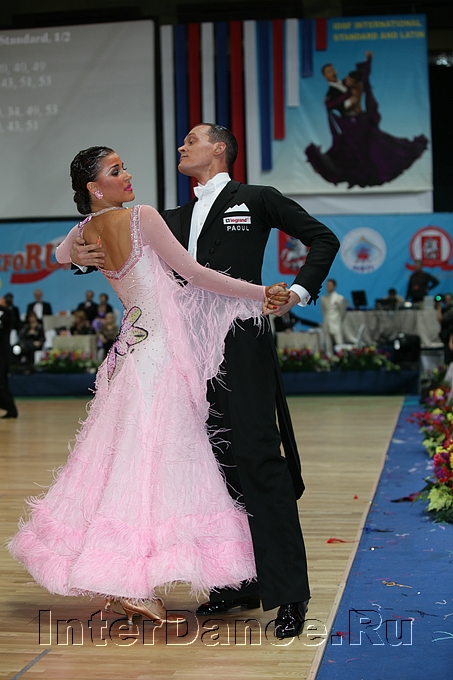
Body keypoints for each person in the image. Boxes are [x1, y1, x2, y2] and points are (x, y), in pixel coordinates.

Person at [69, 125, 340, 638]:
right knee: (216, 467)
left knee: (258, 459)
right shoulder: (170, 217)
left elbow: (324, 238)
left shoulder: (257, 199)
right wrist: (78, 258)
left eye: (192, 139)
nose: (182, 145)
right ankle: (237, 581)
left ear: (219, 148)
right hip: (184, 353)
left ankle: (289, 593)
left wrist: (299, 291)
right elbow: (114, 245)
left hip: (240, 343)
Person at [8, 145, 290, 626]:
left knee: (128, 464)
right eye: (116, 170)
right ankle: (130, 582)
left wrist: (72, 254)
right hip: (159, 356)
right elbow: (196, 275)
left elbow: (60, 252)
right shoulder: (142, 217)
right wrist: (259, 292)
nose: (127, 175)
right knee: (154, 468)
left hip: (131, 355)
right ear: (96, 187)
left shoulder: (86, 230)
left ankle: (126, 581)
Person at [306, 52, 428, 188]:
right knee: (356, 151)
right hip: (350, 125)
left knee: (379, 143)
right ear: (325, 76)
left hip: (361, 120)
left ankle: (400, 158)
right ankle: (365, 175)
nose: (332, 72)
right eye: (328, 71)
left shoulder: (347, 82)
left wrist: (368, 60)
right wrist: (348, 98)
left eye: (332, 69)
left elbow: (362, 75)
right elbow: (332, 105)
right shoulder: (331, 94)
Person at [0, 296, 18, 419]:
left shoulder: (8, 314)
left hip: (3, 355)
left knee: (1, 384)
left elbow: (7, 313)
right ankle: (9, 409)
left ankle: (11, 409)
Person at [321, 279, 347, 357]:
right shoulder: (323, 299)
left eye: (330, 285)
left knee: (339, 342)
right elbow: (323, 311)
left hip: (336, 323)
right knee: (328, 343)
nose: (328, 287)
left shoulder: (339, 298)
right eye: (327, 285)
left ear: (334, 286)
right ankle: (329, 358)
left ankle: (342, 358)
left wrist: (338, 320)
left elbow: (342, 311)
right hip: (327, 323)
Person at [436, 293, 453, 364]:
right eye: (446, 299)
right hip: (445, 335)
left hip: (450, 335)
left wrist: (439, 307)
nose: (447, 301)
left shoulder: (451, 310)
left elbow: (440, 318)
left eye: (449, 299)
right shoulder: (445, 309)